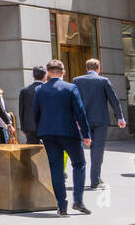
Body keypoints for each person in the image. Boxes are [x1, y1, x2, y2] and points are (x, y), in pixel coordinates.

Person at [33, 60, 93, 217]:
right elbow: (80, 112)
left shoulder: (39, 89)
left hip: (47, 134)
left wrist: (40, 131)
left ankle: (62, 206)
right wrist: (86, 135)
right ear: (63, 72)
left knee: (56, 168)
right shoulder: (71, 88)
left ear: (47, 73)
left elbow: (36, 113)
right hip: (68, 132)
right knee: (79, 163)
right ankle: (78, 200)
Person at [73, 59, 126, 190]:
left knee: (83, 148)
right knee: (97, 149)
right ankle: (95, 179)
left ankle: (90, 178)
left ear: (87, 68)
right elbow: (114, 100)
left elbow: (72, 101)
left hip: (83, 120)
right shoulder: (103, 81)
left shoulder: (76, 81)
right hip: (100, 120)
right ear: (98, 68)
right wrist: (120, 117)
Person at [19, 66, 47, 143]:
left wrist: (23, 127)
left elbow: (21, 111)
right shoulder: (48, 90)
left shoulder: (24, 91)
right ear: (45, 76)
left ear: (33, 76)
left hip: (29, 126)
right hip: (46, 126)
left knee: (31, 151)